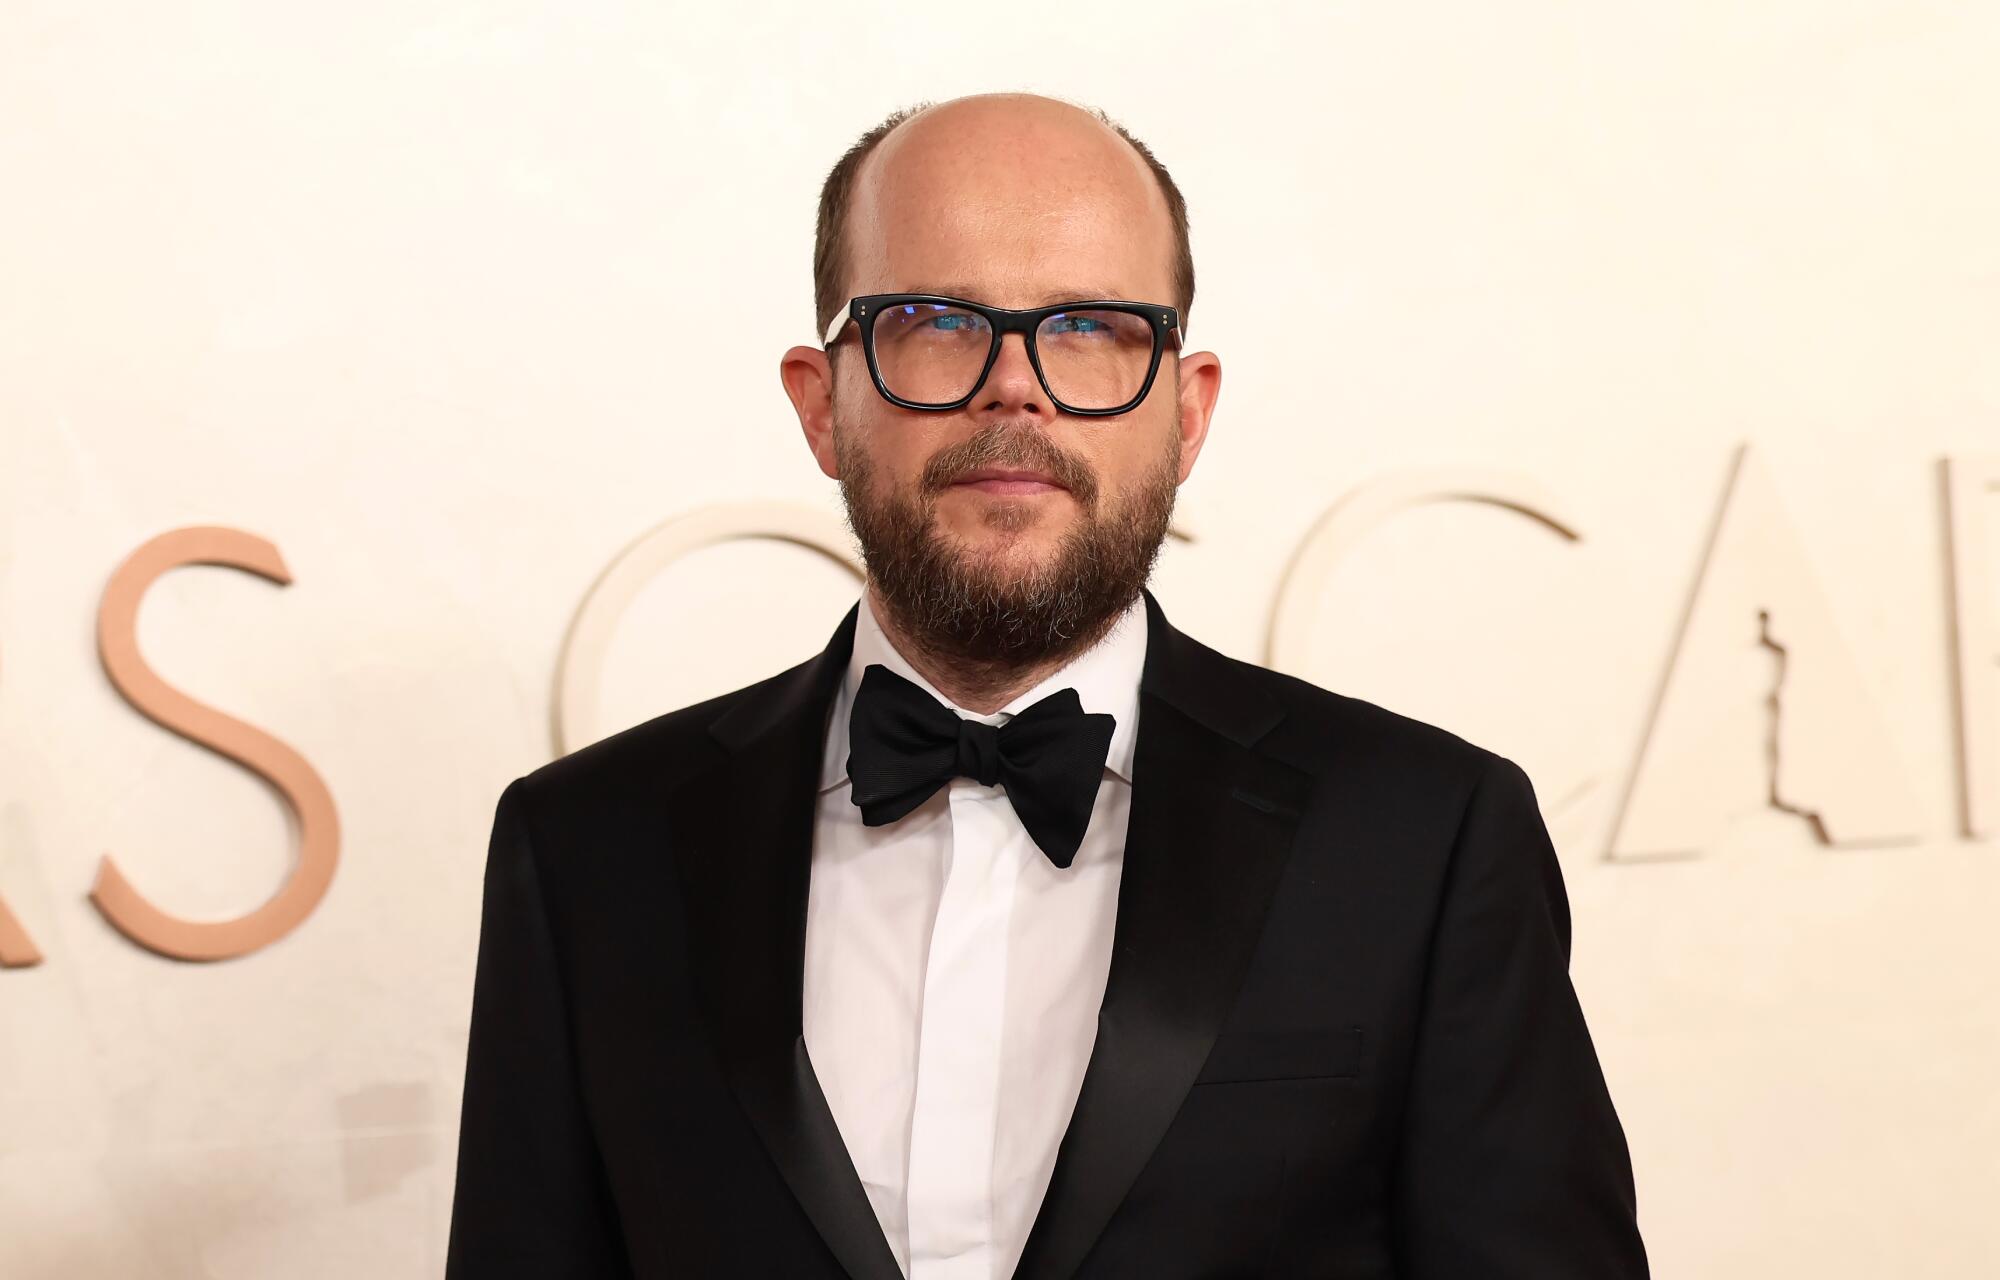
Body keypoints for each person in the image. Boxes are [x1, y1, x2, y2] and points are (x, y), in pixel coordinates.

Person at [444, 92, 1648, 1279]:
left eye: (1088, 328)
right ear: (821, 404)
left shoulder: (1425, 837)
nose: (1011, 386)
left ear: (1185, 413)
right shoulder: (584, 848)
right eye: (934, 320)